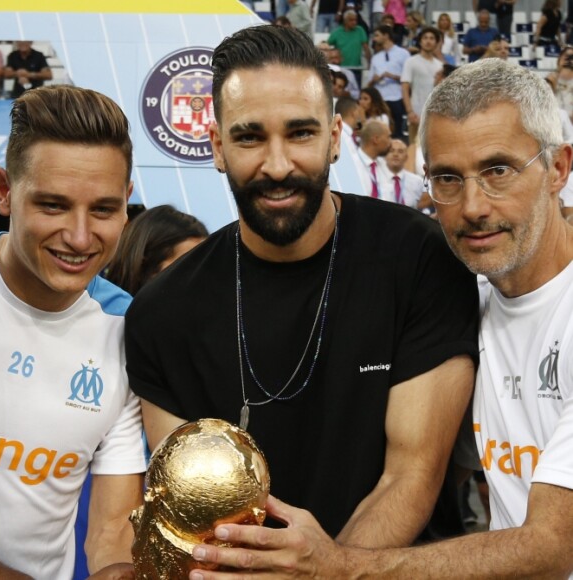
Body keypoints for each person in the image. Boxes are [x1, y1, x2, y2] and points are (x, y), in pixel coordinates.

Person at [187, 57, 573, 580]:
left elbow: (554, 547)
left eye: (498, 170)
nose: (474, 205)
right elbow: (445, 473)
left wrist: (339, 565)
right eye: (447, 178)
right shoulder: (469, 298)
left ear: (558, 168)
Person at [125, 23, 479, 576]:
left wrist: (329, 569)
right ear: (216, 146)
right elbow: (195, 517)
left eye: (300, 133)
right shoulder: (160, 315)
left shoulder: (418, 258)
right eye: (248, 137)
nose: (278, 164)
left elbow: (410, 475)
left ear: (335, 137)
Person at [0, 85, 146, 579]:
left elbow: (111, 530)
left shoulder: (130, 332)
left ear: (127, 203)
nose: (80, 238)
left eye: (102, 210)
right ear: (4, 191)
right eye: (54, 206)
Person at [105, 205, 208, 296]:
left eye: (205, 266)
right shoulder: (106, 314)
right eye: (186, 267)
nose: (200, 278)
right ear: (143, 268)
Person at [401, 26, 443, 144]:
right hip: (416, 113)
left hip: (435, 115)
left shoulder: (440, 65)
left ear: (436, 42)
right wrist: (409, 111)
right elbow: (405, 87)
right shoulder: (411, 61)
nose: (428, 41)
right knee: (415, 150)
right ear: (420, 41)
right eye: (425, 38)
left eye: (431, 38)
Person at [368, 24, 410, 139]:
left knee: (397, 133)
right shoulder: (376, 57)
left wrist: (392, 76)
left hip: (397, 97)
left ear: (386, 36)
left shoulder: (403, 53)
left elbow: (409, 78)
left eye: (377, 35)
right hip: (380, 99)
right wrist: (374, 79)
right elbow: (369, 82)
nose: (374, 38)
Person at [377, 138, 427, 208]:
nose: (395, 154)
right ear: (385, 156)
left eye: (400, 151)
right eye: (391, 151)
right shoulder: (376, 179)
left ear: (406, 157)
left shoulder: (418, 181)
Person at [328, 9, 371, 86]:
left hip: (356, 69)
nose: (354, 22)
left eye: (355, 20)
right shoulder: (337, 32)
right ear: (345, 21)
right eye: (351, 20)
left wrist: (369, 64)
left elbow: (366, 48)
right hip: (341, 69)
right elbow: (327, 46)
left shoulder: (360, 30)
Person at [355, 119, 392, 197]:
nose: (391, 142)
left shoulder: (384, 165)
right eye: (388, 137)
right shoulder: (352, 164)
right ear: (376, 139)